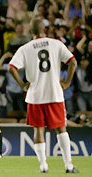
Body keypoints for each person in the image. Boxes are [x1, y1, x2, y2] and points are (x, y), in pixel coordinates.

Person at [8, 19, 79, 173]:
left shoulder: (25, 48)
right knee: (61, 129)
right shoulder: (56, 44)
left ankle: (43, 165)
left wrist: (22, 85)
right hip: (54, 93)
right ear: (44, 29)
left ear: (31, 31)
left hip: (35, 95)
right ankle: (69, 165)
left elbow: (11, 68)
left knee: (38, 131)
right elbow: (73, 62)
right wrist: (66, 83)